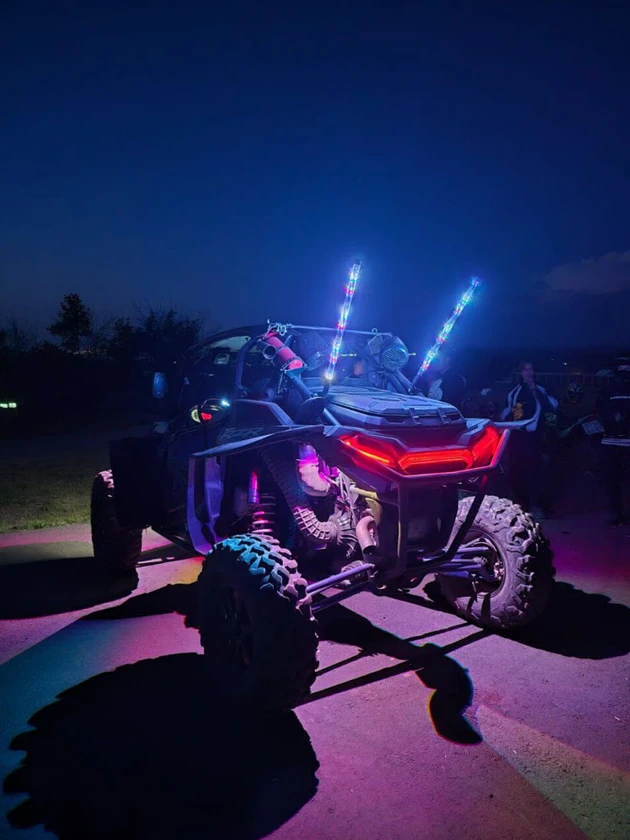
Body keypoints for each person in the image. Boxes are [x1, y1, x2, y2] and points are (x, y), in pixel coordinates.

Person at [502, 361, 558, 517]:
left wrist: (538, 394)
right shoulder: (514, 392)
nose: (529, 373)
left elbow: (553, 406)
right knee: (517, 470)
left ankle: (537, 506)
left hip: (536, 437)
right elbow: (506, 414)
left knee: (536, 471)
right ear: (521, 372)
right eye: (526, 370)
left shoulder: (541, 389)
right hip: (519, 438)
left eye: (531, 369)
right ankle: (519, 504)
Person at [596, 356, 630, 526]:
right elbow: (600, 410)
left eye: (627, 369)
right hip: (610, 442)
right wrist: (611, 420)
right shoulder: (607, 389)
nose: (625, 372)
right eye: (621, 369)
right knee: (612, 480)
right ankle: (616, 513)